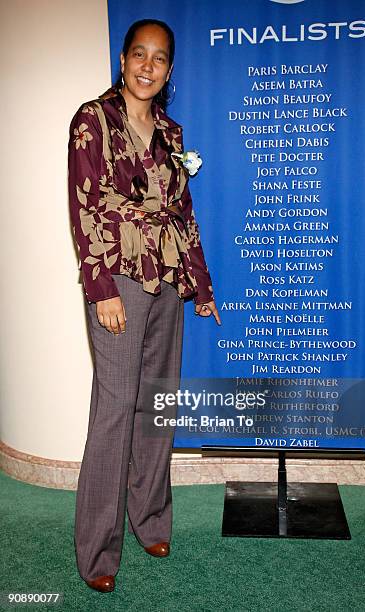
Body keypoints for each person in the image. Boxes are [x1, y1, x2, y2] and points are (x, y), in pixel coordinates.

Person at [68, 18, 220, 593]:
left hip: (167, 286)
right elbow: (83, 211)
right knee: (113, 414)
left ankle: (151, 520)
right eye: (139, 54)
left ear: (169, 70)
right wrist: (100, 289)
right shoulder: (93, 120)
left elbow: (183, 216)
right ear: (124, 59)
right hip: (120, 282)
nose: (148, 66)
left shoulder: (172, 136)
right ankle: (98, 553)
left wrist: (200, 287)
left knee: (157, 408)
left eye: (159, 58)